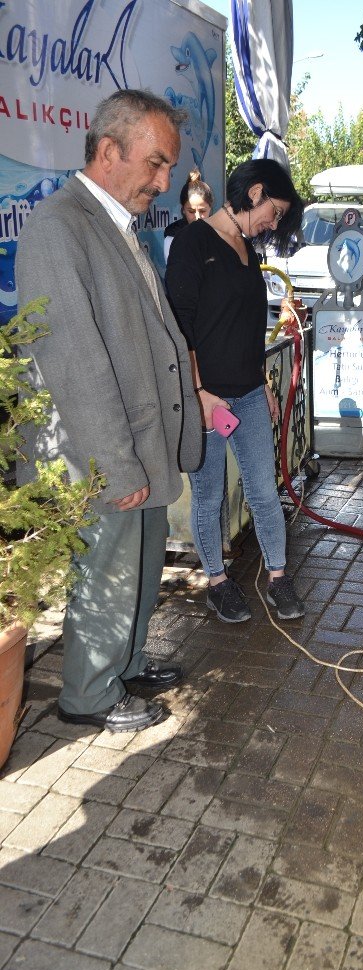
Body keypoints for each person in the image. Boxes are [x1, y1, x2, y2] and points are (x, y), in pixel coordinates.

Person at [15, 90, 202, 734]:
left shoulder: (114, 223)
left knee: (141, 569)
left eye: (168, 166)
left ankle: (125, 663)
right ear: (107, 150)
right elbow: (76, 363)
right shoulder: (59, 226)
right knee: (108, 573)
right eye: (155, 164)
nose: (165, 182)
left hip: (137, 442)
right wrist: (117, 466)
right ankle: (89, 694)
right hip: (101, 453)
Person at [166, 158, 306, 623]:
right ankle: (217, 582)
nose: (274, 223)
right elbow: (178, 328)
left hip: (247, 393)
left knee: (264, 490)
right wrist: (198, 393)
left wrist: (262, 381)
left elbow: (247, 326)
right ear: (255, 192)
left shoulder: (247, 247)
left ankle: (278, 577)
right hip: (207, 400)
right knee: (209, 497)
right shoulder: (193, 242)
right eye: (275, 211)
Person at [163, 168, 214, 262]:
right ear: (183, 210)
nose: (197, 217)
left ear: (210, 208)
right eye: (191, 211)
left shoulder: (221, 235)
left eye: (202, 211)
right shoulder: (172, 237)